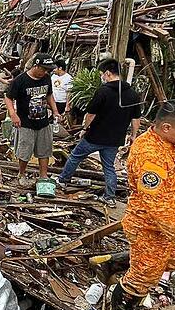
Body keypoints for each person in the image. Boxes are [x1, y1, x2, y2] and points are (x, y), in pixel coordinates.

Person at [111, 99, 175, 310]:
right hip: (148, 226)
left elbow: (172, 172)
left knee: (174, 258)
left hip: (162, 226)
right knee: (143, 277)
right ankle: (121, 307)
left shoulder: (164, 142)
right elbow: (159, 213)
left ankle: (112, 263)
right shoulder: (151, 157)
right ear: (166, 127)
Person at [57, 58, 141, 207]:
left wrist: (84, 129)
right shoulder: (132, 94)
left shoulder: (103, 91)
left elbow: (91, 114)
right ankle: (110, 197)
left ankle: (63, 180)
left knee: (75, 156)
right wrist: (134, 136)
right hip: (115, 139)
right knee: (109, 167)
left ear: (108, 73)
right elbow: (136, 118)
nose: (102, 77)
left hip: (95, 137)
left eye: (102, 74)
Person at [5, 52, 61, 187]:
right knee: (24, 151)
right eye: (43, 69)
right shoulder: (20, 80)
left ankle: (43, 175)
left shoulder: (46, 78)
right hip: (25, 122)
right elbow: (8, 97)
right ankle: (21, 173)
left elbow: (49, 95)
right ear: (36, 66)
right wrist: (13, 114)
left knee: (45, 150)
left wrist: (55, 111)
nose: (45, 72)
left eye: (47, 70)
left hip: (43, 121)